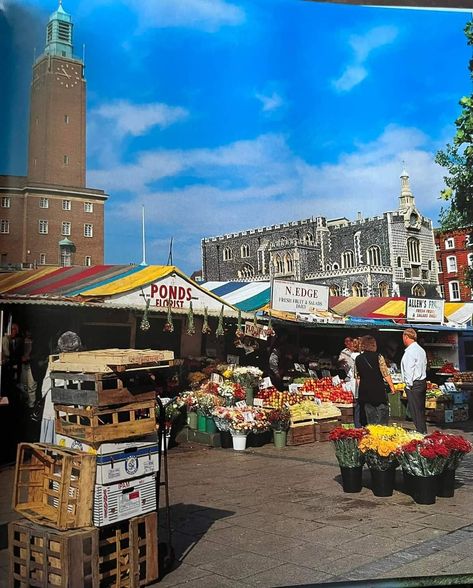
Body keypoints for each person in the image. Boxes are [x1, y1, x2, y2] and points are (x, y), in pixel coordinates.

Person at [40, 331, 83, 444]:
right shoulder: (81, 365)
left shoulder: (54, 364)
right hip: (71, 411)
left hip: (54, 405)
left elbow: (45, 388)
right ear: (77, 349)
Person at [355, 335, 395, 426]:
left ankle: (372, 432)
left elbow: (357, 377)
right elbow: (385, 373)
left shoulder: (358, 358)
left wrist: (360, 389)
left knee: (370, 414)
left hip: (365, 390)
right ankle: (381, 431)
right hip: (378, 389)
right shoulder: (378, 356)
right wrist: (391, 386)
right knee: (382, 411)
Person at [401, 328, 427, 434]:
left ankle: (420, 432)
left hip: (414, 384)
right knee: (420, 409)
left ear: (406, 337)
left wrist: (408, 385)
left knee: (415, 409)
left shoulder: (410, 352)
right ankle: (422, 430)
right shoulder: (421, 350)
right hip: (422, 382)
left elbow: (408, 369)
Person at [1, 323, 23, 399]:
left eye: (17, 330)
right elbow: (7, 353)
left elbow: (19, 352)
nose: (15, 332)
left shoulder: (18, 340)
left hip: (16, 365)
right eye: (14, 329)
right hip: (6, 366)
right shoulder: (5, 339)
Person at [20, 328, 37, 409]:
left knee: (31, 385)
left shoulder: (36, 341)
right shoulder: (21, 341)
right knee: (23, 385)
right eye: (27, 331)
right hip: (23, 365)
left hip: (32, 366)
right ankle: (26, 402)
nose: (28, 332)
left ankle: (31, 404)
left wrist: (29, 357)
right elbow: (18, 352)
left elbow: (39, 353)